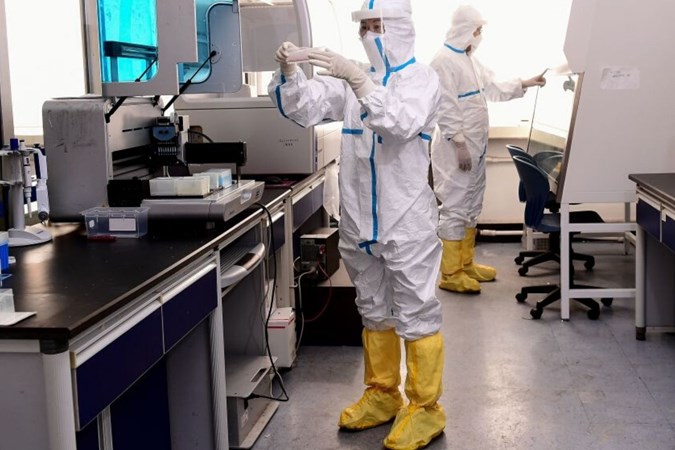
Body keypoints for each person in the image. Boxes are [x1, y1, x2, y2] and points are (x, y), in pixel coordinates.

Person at [269, 1, 444, 448]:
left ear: (400, 28)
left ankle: (425, 409)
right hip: (359, 221)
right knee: (373, 309)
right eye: (364, 26)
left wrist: (359, 80)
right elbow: (305, 108)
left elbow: (401, 123)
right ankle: (383, 394)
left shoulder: (421, 79)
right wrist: (291, 71)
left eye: (377, 25)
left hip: (406, 223)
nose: (369, 34)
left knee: (417, 314)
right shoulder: (351, 79)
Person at [430, 5, 546, 294]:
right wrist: (458, 143)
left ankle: (466, 264)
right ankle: (450, 272)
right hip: (455, 149)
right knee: (455, 207)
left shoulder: (469, 60)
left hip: (475, 147)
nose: (480, 36)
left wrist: (525, 83)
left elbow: (493, 87)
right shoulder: (443, 61)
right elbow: (445, 106)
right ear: (464, 29)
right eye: (477, 30)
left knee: (471, 206)